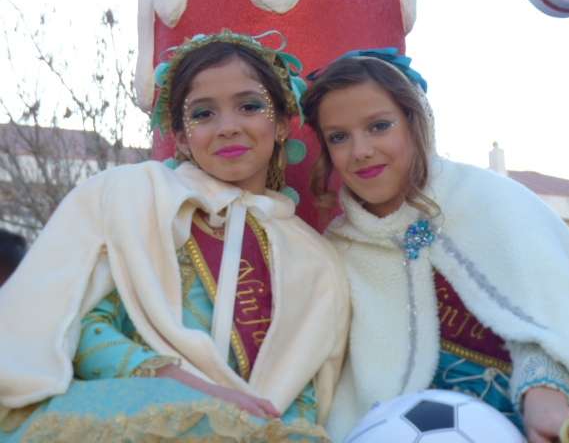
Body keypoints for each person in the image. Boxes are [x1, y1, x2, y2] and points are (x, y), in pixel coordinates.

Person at [0, 30, 349, 442]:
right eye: (203, 114)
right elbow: (80, 326)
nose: (228, 127)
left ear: (282, 125)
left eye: (250, 106)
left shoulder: (314, 258)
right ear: (182, 137)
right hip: (137, 414)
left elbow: (304, 378)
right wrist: (185, 388)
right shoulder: (132, 197)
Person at [301, 49, 569, 443]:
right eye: (339, 137)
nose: (360, 150)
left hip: (552, 415)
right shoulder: (339, 249)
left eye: (379, 126)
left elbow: (551, 320)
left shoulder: (492, 200)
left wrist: (544, 396)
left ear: (415, 123)